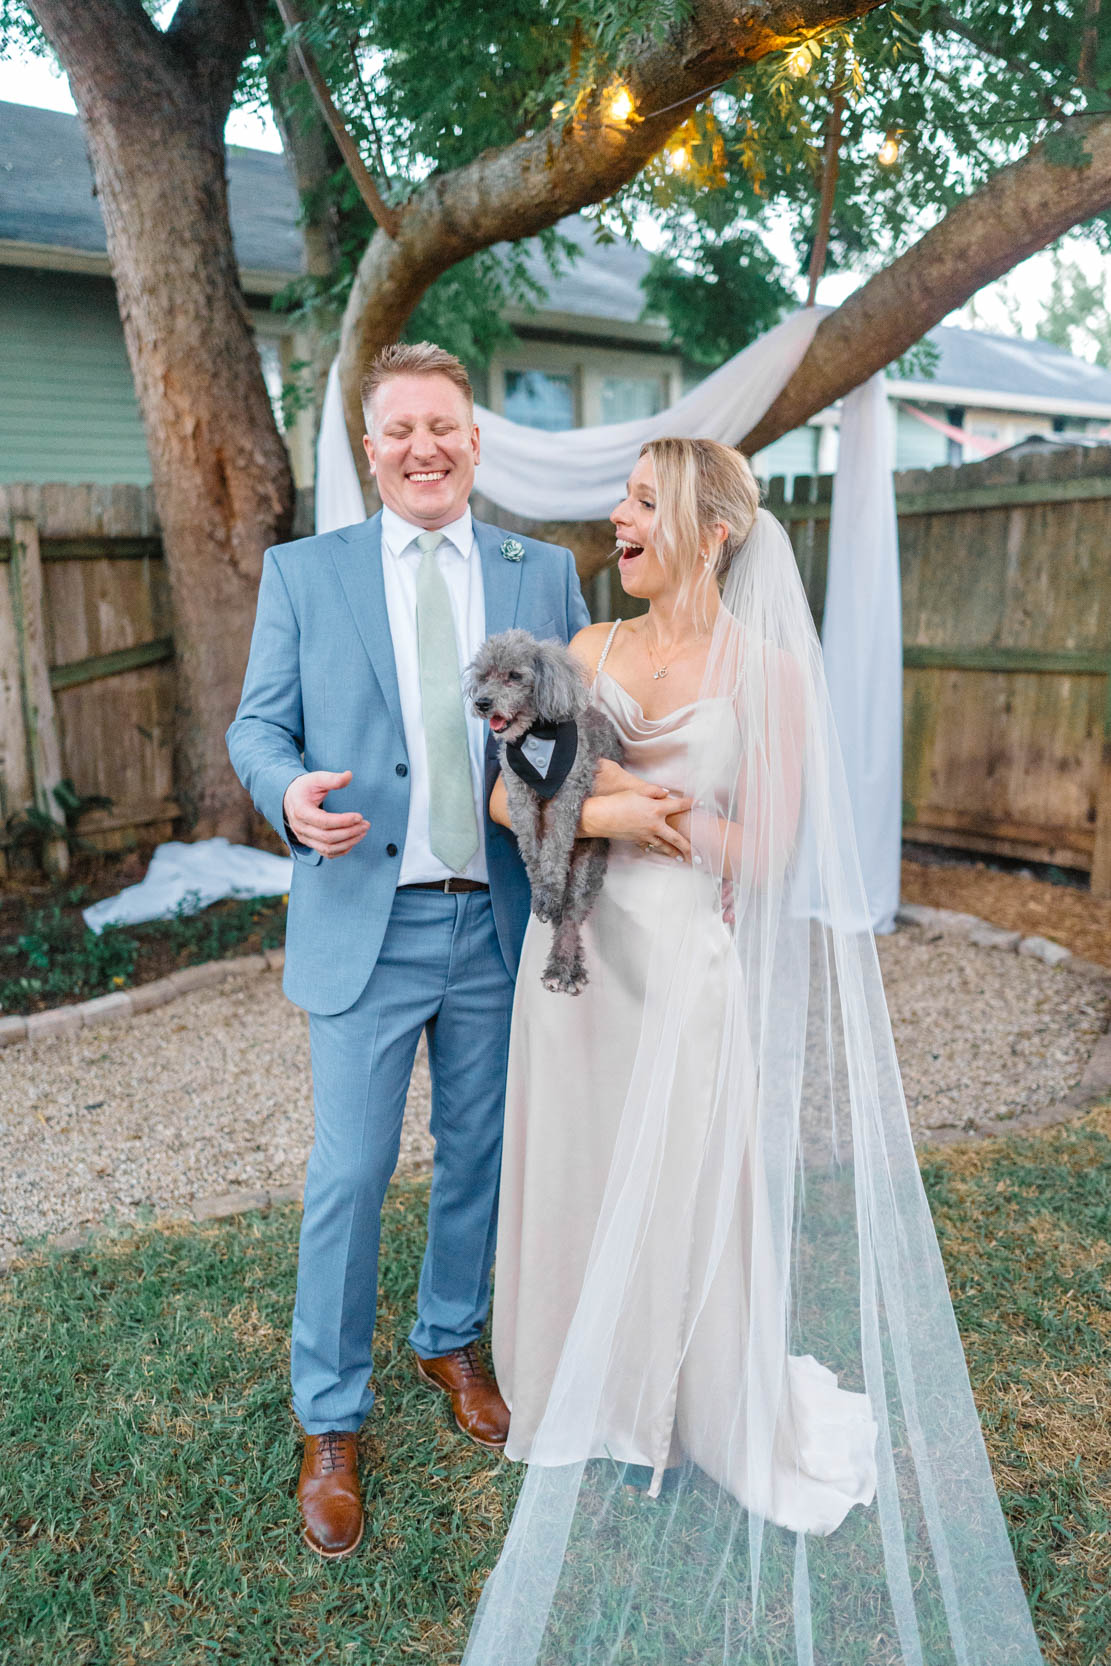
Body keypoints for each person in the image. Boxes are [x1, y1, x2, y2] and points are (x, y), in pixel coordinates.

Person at [464, 438, 1045, 1666]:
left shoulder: (771, 675)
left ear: (709, 528)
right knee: (571, 1159)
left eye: (638, 502)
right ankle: (575, 1381)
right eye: (617, 500)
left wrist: (662, 830)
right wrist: (610, 808)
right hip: (572, 957)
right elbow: (518, 799)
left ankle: (680, 1400)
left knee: (682, 1176)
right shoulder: (585, 655)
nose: (613, 519)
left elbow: (771, 853)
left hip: (682, 964)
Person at [226, 342, 598, 1562]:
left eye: (445, 426)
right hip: (362, 920)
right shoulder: (303, 572)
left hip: (496, 917)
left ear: (474, 442)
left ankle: (450, 1336)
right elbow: (256, 725)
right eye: (400, 430)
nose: (424, 448)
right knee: (349, 1170)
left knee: (479, 1154)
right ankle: (329, 1418)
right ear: (371, 446)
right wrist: (285, 795)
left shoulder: (541, 573)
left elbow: (587, 732)